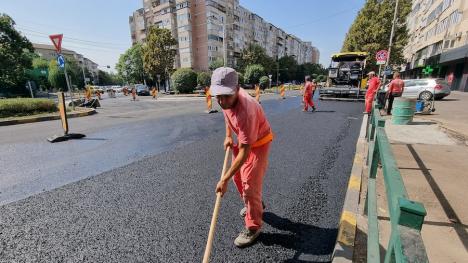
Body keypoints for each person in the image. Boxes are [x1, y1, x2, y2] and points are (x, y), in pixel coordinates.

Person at [211, 67, 273, 248]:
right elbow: (227, 113)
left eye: (226, 96)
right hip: (244, 138)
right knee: (238, 178)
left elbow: (246, 151)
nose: (221, 101)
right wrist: (228, 135)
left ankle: (253, 227)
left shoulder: (247, 110)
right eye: (218, 96)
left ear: (237, 89)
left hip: (259, 142)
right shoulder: (226, 98)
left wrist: (224, 179)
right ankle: (255, 204)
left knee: (250, 185)